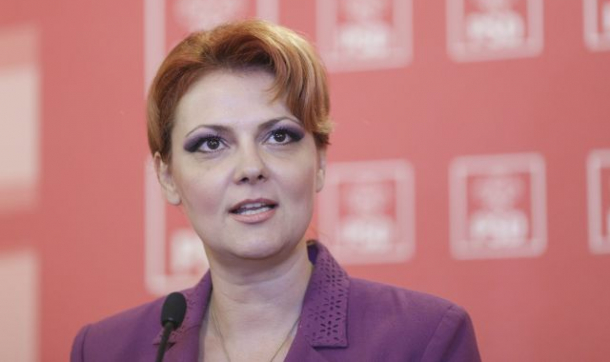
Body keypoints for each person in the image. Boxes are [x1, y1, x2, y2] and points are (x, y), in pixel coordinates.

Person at [71, 20, 481, 362]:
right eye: (211, 143)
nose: (251, 168)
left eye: (279, 137)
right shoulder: (105, 350)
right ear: (167, 177)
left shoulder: (423, 339)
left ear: (319, 162)